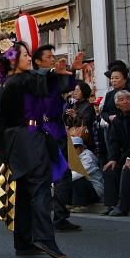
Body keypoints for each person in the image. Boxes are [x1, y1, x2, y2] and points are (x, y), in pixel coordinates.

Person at [0, 35, 72, 258]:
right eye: (24, 55)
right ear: (12, 59)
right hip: (29, 139)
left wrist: (57, 75)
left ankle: (23, 242)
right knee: (40, 187)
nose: (29, 58)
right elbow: (40, 80)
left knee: (22, 191)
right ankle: (44, 238)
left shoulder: (7, 83)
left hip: (16, 141)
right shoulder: (20, 80)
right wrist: (54, 73)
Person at [32, 43, 83, 232]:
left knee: (59, 175)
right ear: (37, 61)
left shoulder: (49, 77)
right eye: (48, 57)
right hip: (46, 130)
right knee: (56, 175)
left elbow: (65, 86)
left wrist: (73, 70)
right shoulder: (36, 78)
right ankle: (52, 216)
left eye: (53, 56)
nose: (52, 60)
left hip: (56, 128)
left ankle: (57, 215)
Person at [100, 90, 130, 216]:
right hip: (125, 155)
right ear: (117, 105)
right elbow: (114, 142)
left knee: (128, 169)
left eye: (128, 98)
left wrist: (129, 157)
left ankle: (123, 207)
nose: (125, 101)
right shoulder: (117, 119)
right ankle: (111, 205)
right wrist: (113, 158)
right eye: (121, 100)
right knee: (109, 168)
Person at [69, 136, 102, 212]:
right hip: (86, 190)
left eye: (75, 147)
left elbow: (79, 173)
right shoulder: (75, 157)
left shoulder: (88, 157)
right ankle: (71, 203)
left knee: (77, 179)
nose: (73, 150)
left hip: (95, 191)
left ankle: (82, 205)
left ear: (81, 147)